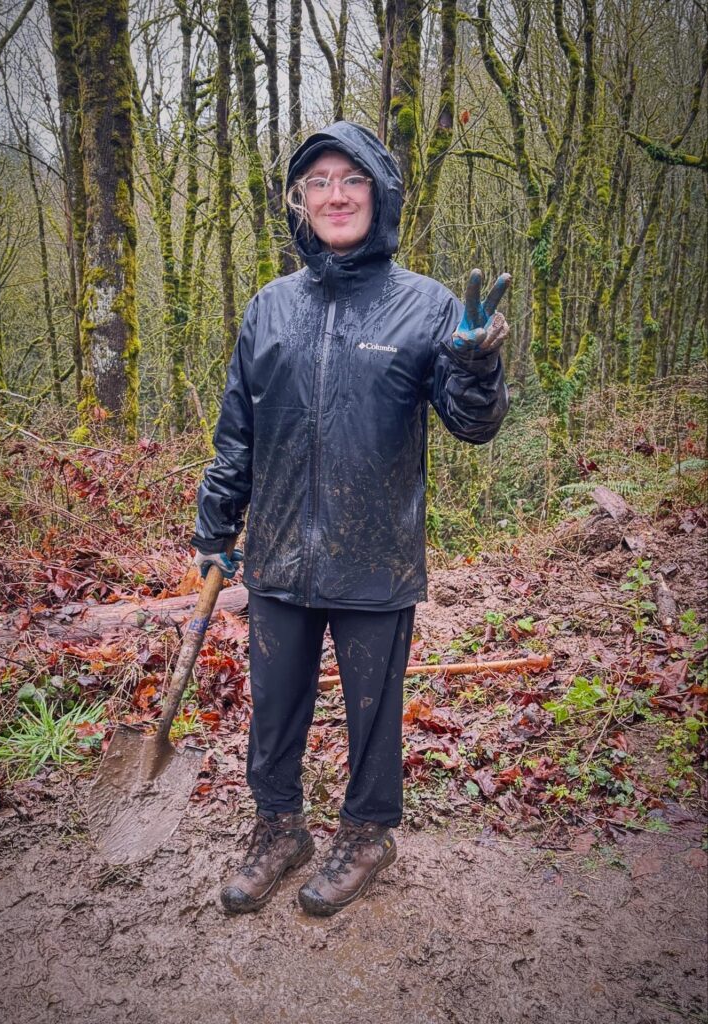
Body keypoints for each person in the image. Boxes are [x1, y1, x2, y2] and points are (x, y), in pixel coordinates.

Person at [191, 121, 510, 917]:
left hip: (375, 556)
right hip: (276, 557)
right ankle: (278, 830)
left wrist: (476, 367)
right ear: (300, 203)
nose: (335, 195)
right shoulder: (269, 308)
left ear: (380, 194)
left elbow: (473, 425)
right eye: (318, 183)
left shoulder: (426, 306)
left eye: (351, 180)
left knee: (371, 713)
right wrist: (214, 532)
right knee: (274, 706)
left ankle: (367, 833)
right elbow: (237, 432)